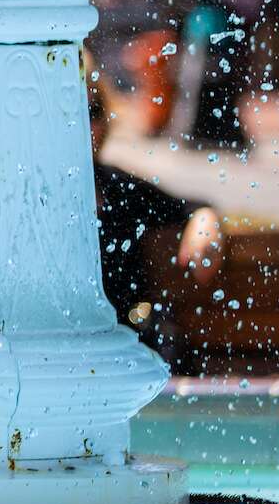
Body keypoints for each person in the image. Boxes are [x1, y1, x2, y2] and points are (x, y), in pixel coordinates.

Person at [90, 65, 223, 370]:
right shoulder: (25, 200)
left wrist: (204, 220)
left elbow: (188, 206)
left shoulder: (118, 189)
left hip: (128, 353)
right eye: (69, 111)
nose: (85, 125)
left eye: (93, 111)